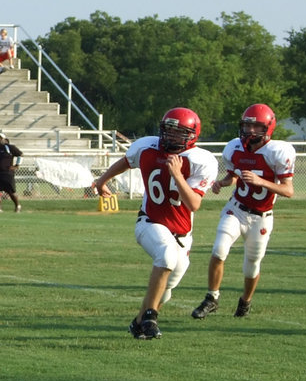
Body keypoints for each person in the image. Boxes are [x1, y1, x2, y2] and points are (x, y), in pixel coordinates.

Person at [92, 107, 219, 340]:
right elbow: (127, 161)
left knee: (167, 289)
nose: (170, 137)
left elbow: (193, 204)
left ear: (192, 136)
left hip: (182, 233)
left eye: (178, 133)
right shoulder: (147, 147)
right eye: (168, 130)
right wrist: (102, 181)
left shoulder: (201, 160)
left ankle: (139, 322)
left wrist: (178, 175)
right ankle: (151, 316)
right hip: (149, 222)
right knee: (166, 256)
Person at [191, 104, 296, 321]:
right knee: (219, 249)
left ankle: (245, 302)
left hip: (262, 217)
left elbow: (288, 190)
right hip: (236, 209)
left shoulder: (278, 151)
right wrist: (222, 182)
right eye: (247, 126)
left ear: (267, 128)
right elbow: (234, 176)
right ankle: (212, 298)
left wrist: (261, 181)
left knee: (252, 265)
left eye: (256, 127)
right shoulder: (234, 148)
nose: (250, 131)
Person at [0, 131, 23, 212]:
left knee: (11, 191)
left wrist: (17, 165)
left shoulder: (9, 147)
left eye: (1, 138)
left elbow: (20, 154)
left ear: (5, 139)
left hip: (7, 173)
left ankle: (17, 205)